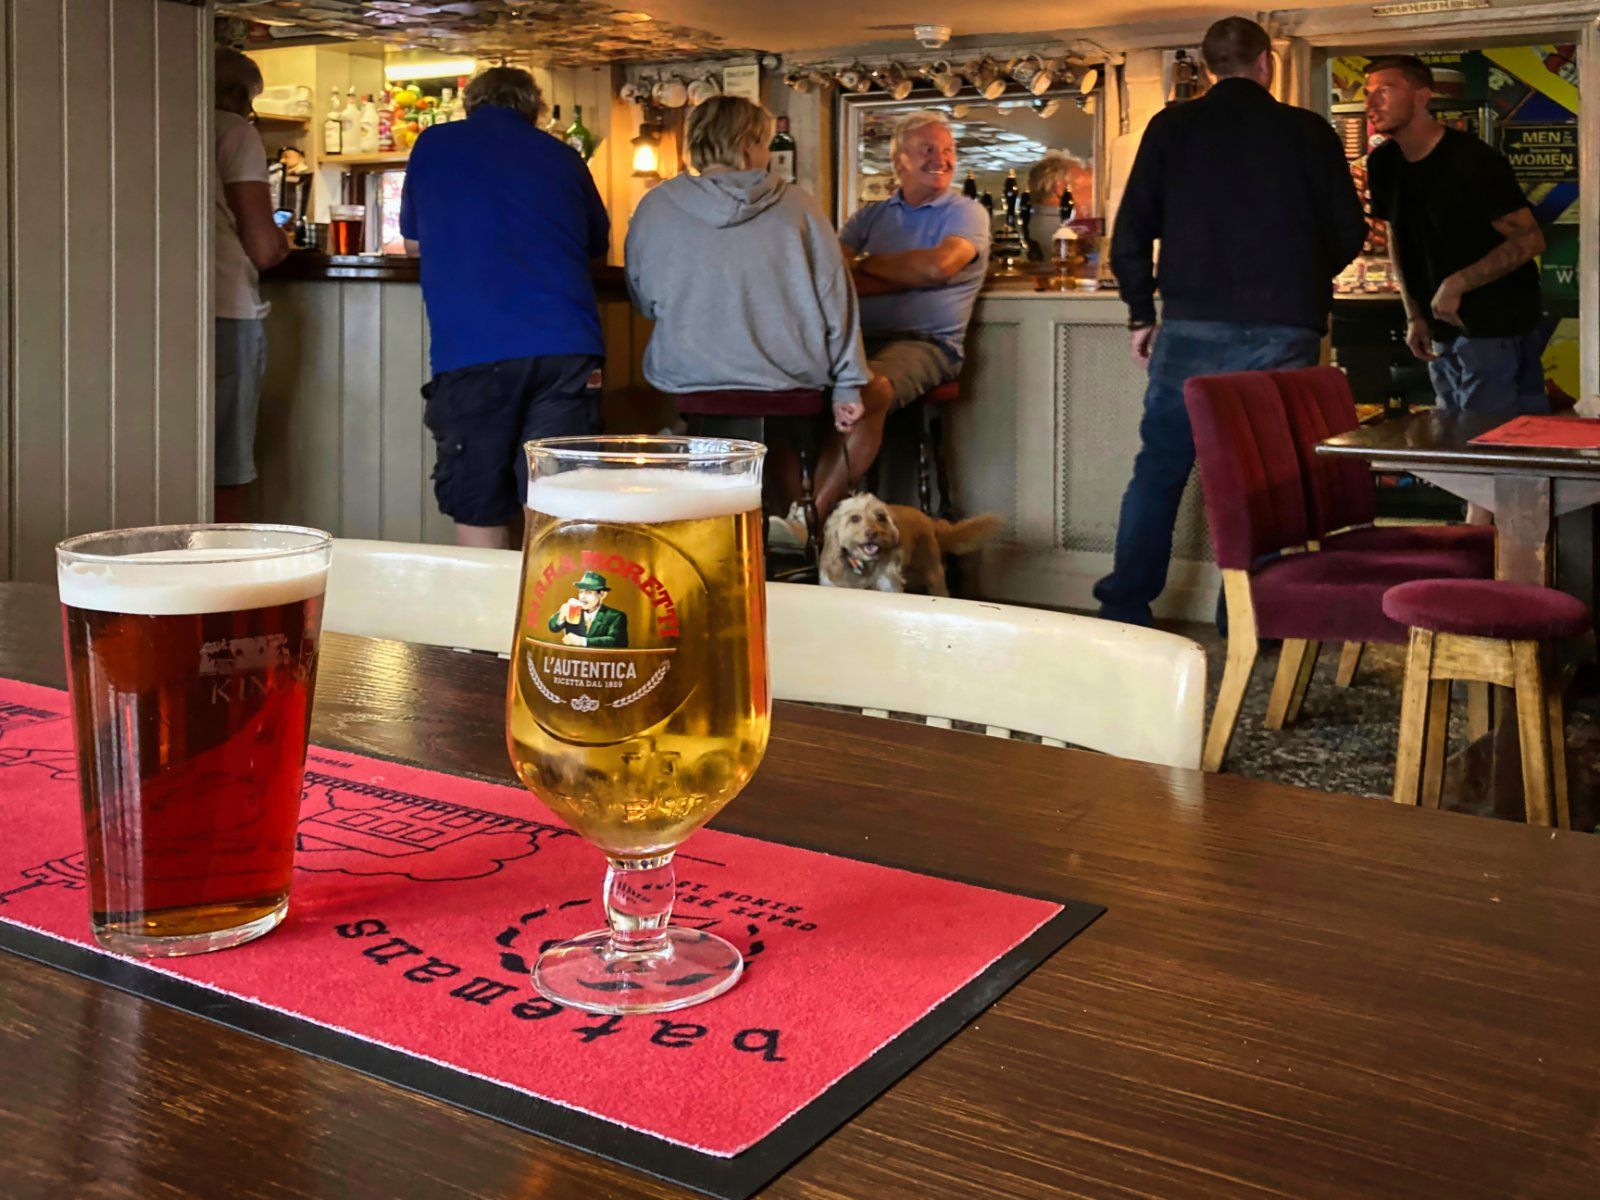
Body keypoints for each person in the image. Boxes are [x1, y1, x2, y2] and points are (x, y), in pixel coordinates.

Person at [1096, 17, 1366, 627]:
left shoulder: (1171, 127)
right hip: (1285, 327)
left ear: (1209, 65)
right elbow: (1350, 229)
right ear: (1267, 64)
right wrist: (1302, 274)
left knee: (1160, 469)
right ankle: (1248, 617)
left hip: (1191, 325)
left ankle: (1125, 606)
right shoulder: (1308, 131)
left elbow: (1131, 233)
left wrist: (1142, 313)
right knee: (1266, 475)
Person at [624, 95, 870, 510]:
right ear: (748, 144)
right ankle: (786, 527)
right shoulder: (799, 206)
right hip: (785, 381)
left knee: (705, 443)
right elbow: (836, 301)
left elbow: (644, 300)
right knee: (790, 445)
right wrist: (848, 385)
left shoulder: (654, 207)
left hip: (690, 378)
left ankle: (709, 522)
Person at [400, 67, 609, 549]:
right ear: (534, 109)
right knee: (562, 499)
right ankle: (562, 618)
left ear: (469, 104)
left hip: (475, 349)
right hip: (568, 350)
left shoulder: (434, 144)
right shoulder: (563, 155)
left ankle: (486, 621)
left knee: (478, 500)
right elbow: (597, 249)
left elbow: (413, 244)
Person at [815, 110, 990, 518]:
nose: (942, 159)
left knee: (865, 391)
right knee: (783, 390)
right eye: (928, 149)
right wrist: (906, 274)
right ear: (899, 162)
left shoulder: (965, 212)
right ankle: (786, 516)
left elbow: (938, 267)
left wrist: (864, 263)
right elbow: (833, 279)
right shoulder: (869, 217)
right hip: (852, 340)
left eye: (948, 150)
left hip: (925, 343)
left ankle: (809, 520)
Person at [1364, 55, 1547, 419]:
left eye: (1385, 90)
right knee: (1452, 441)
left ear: (1421, 97)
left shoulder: (1472, 160)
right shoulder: (1383, 162)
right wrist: (1413, 314)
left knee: (1492, 446)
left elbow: (1530, 241)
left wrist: (1458, 282)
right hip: (1439, 328)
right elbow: (1398, 234)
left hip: (1496, 322)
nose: (1371, 104)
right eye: (1368, 93)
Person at [213, 48, 292, 523]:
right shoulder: (234, 130)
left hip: (162, 313)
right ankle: (221, 576)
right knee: (225, 466)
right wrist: (282, 241)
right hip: (226, 307)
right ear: (235, 94)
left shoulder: (152, 122)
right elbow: (264, 247)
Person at [1025, 151, 1092, 259]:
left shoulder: (1032, 220)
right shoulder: (1062, 228)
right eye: (1083, 187)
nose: (1090, 195)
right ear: (1060, 188)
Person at [547, 572, 628, 648]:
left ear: (602, 594)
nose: (582, 597)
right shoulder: (573, 609)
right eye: (581, 592)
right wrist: (561, 617)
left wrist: (583, 641)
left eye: (588, 592)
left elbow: (618, 641)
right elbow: (553, 627)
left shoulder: (615, 616)